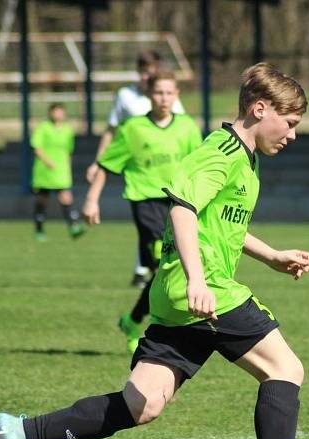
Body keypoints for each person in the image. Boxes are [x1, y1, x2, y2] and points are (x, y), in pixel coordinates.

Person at [0, 63, 309, 439]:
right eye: (290, 124)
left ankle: (17, 431)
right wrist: (198, 279)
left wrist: (270, 256)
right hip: (206, 291)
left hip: (182, 297)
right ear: (260, 108)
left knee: (141, 404)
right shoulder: (222, 151)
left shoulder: (245, 159)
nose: (292, 135)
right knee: (285, 368)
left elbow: (223, 224)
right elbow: (183, 210)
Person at [82, 71, 202, 353]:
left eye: (169, 93)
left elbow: (198, 169)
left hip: (179, 205)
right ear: (149, 94)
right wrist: (91, 199)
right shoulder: (132, 128)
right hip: (146, 203)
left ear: (177, 96)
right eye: (159, 92)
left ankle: (133, 321)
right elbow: (107, 165)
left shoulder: (187, 128)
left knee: (165, 270)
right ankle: (159, 333)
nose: (164, 98)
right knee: (167, 262)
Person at [85, 50, 185, 289]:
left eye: (168, 93)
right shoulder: (128, 105)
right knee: (161, 249)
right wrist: (97, 163)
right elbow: (112, 133)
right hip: (141, 183)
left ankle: (134, 315)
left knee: (166, 256)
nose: (163, 98)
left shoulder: (182, 121)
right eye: (144, 73)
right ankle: (148, 274)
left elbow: (183, 142)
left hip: (171, 189)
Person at [30, 103, 84, 242]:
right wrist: (48, 161)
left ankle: (73, 226)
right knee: (43, 200)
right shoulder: (44, 127)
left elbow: (69, 151)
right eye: (56, 111)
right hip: (44, 170)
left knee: (66, 197)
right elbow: (36, 147)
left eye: (61, 112)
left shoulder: (68, 130)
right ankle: (39, 229)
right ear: (50, 113)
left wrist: (68, 167)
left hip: (61, 170)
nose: (58, 114)